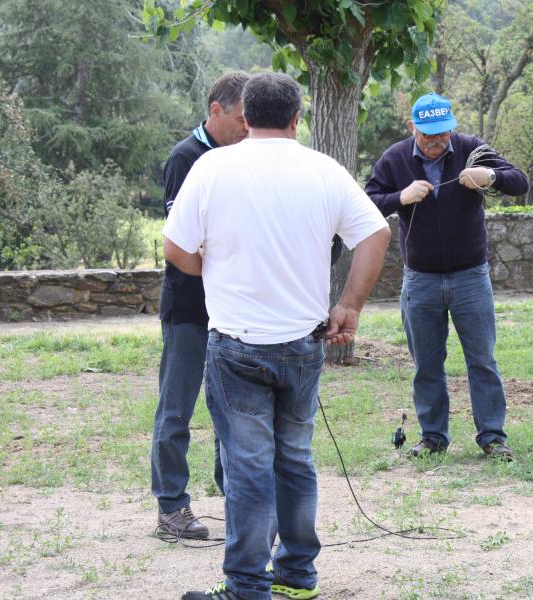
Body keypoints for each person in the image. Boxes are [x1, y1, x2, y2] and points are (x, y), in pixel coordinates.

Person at [163, 71, 390, 600]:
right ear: (296, 118)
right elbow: (376, 234)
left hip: (236, 343)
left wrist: (213, 270)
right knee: (295, 459)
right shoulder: (324, 169)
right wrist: (349, 307)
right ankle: (297, 576)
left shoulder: (212, 167)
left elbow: (175, 249)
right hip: (304, 343)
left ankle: (246, 586)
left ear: (245, 117)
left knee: (247, 468)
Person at [365, 92, 529, 461]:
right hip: (420, 280)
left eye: (444, 133)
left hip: (471, 276)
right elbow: (367, 200)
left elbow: (520, 182)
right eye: (429, 135)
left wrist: (490, 176)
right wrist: (400, 197)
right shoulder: (394, 158)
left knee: (482, 360)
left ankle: (493, 438)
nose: (438, 141)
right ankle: (433, 438)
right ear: (412, 128)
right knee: (426, 363)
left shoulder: (471, 150)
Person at [152, 71, 250, 540]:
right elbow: (182, 242)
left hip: (233, 310)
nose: (248, 128)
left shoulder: (244, 157)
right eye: (241, 119)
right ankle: (171, 507)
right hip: (190, 310)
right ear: (215, 110)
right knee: (177, 410)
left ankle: (236, 498)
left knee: (231, 410)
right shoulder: (185, 157)